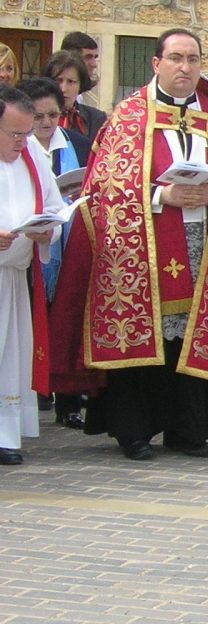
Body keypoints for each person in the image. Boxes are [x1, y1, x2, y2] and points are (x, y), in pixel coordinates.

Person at [48, 29, 208, 460]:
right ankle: (134, 430)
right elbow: (103, 187)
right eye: (176, 58)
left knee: (189, 334)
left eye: (193, 59)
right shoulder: (129, 115)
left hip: (200, 240)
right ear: (157, 64)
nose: (185, 67)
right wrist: (160, 195)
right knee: (146, 333)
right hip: (141, 243)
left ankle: (188, 430)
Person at [14, 77, 91, 429]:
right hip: (23, 256)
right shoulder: (20, 147)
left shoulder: (74, 143)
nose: (46, 123)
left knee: (66, 322)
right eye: (39, 116)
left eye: (53, 115)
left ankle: (68, 401)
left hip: (64, 246)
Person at [0, 87, 61, 465]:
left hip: (12, 278)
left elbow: (55, 206)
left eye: (26, 133)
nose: (23, 142)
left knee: (8, 354)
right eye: (15, 134)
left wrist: (45, 230)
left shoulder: (32, 156)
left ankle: (4, 432)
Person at [42, 51, 106, 143]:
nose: (63, 89)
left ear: (80, 84)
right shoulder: (34, 116)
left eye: (71, 82)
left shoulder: (96, 119)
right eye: (58, 81)